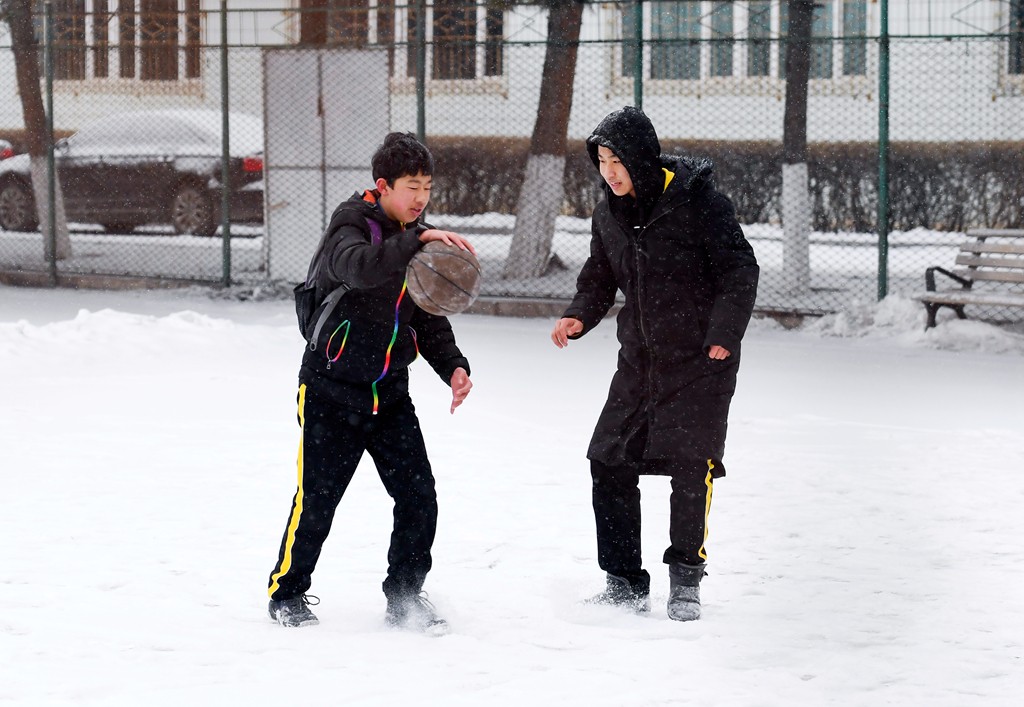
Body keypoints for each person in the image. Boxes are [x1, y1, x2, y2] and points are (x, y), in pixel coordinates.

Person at [551, 107, 759, 621]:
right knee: (608, 458)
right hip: (639, 361)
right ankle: (623, 580)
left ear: (642, 158)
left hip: (699, 362)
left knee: (692, 468)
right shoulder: (609, 213)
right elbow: (600, 275)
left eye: (617, 160)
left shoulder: (699, 203)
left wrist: (722, 336)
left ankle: (685, 580)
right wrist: (579, 315)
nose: (609, 172)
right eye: (601, 161)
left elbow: (740, 270)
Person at [267, 132, 474, 633]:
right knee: (318, 500)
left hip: (389, 397)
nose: (420, 198)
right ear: (382, 186)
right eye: (411, 187)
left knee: (419, 496)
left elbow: (426, 316)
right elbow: (359, 270)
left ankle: (405, 595)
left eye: (427, 187)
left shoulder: (413, 235)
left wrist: (453, 367)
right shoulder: (351, 226)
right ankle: (287, 593)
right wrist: (415, 240)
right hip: (329, 394)